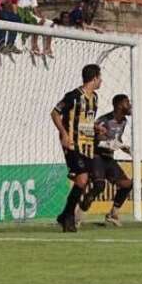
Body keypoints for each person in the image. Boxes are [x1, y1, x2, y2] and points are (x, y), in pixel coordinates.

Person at [51, 64, 102, 233]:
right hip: (73, 144)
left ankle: (65, 214)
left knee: (84, 181)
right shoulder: (73, 96)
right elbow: (55, 113)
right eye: (100, 78)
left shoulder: (94, 98)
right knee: (81, 180)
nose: (101, 81)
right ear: (94, 78)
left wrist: (96, 127)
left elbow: (84, 120)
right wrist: (64, 134)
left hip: (88, 145)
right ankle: (68, 217)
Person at [80, 94, 136, 227]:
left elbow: (117, 139)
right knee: (99, 186)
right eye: (127, 103)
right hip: (97, 157)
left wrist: (123, 147)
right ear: (118, 105)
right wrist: (109, 143)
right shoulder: (104, 120)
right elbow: (96, 139)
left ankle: (113, 214)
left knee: (127, 184)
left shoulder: (124, 121)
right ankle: (78, 213)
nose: (129, 106)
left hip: (109, 159)